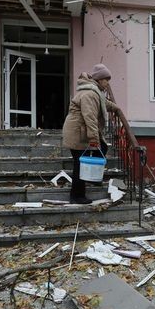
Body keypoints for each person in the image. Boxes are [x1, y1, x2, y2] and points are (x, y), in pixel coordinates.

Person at [62, 64, 121, 204]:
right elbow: (90, 117)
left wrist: (115, 108)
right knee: (80, 164)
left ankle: (92, 179)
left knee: (99, 151)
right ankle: (77, 196)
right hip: (78, 133)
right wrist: (94, 139)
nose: (107, 83)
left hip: (79, 131)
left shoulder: (94, 92)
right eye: (106, 79)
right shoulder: (90, 94)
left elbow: (103, 103)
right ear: (99, 80)